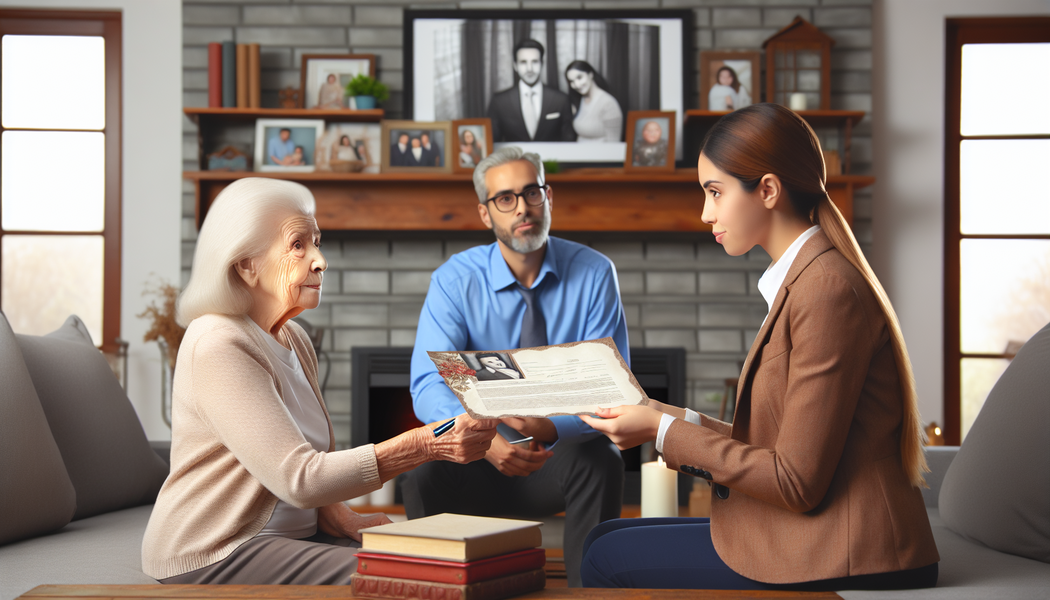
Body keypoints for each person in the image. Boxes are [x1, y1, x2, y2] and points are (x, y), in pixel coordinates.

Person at [577, 103, 940, 591]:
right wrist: (661, 415)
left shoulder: (826, 289)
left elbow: (795, 481)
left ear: (767, 189)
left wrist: (661, 431)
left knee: (607, 557)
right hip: (823, 529)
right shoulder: (807, 279)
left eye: (715, 192)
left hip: (852, 549)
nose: (706, 213)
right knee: (605, 535)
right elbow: (779, 444)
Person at [141, 178, 498, 585]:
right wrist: (426, 444)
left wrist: (343, 517)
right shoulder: (217, 344)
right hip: (218, 549)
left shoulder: (294, 337)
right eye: (298, 245)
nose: (320, 260)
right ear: (246, 264)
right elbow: (301, 478)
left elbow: (292, 463)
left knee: (447, 560)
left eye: (317, 242)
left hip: (289, 539)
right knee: (420, 578)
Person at [401, 146, 628, 587]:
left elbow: (609, 390)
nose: (522, 208)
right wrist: (480, 437)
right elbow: (429, 382)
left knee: (602, 459)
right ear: (485, 214)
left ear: (548, 196)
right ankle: (439, 592)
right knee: (421, 471)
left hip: (559, 459)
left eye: (532, 193)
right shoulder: (455, 279)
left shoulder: (596, 273)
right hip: (478, 457)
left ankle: (589, 592)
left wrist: (550, 427)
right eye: (505, 198)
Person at [487, 40, 575, 143]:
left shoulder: (561, 99)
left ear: (542, 64)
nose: (530, 69)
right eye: (523, 62)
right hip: (514, 158)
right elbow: (491, 142)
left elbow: (569, 141)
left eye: (535, 62)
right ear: (515, 65)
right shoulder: (499, 101)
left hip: (552, 158)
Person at [564, 60, 623, 143]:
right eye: (572, 81)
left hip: (600, 155)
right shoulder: (579, 101)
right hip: (579, 154)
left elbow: (613, 144)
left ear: (590, 74)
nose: (577, 84)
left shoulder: (608, 104)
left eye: (579, 77)